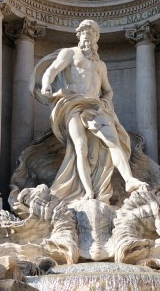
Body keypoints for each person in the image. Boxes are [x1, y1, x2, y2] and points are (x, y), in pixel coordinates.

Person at [32, 19, 146, 204]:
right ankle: (88, 192)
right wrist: (46, 85)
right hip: (73, 104)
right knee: (80, 147)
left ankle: (129, 180)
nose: (87, 37)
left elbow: (108, 90)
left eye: (91, 33)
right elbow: (52, 70)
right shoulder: (70, 53)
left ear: (96, 38)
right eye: (84, 33)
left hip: (95, 107)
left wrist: (105, 103)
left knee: (113, 141)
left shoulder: (100, 65)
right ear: (79, 36)